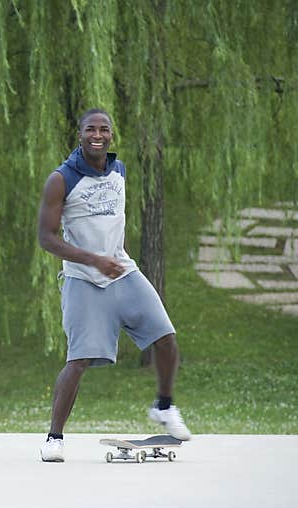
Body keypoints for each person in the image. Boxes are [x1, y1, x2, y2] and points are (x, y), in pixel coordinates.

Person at [36, 108, 191, 462]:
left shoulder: (118, 171)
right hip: (83, 279)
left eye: (104, 129)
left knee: (165, 338)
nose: (97, 134)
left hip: (122, 271)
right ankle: (54, 438)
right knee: (78, 361)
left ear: (111, 135)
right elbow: (46, 238)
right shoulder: (61, 179)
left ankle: (164, 406)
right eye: (91, 129)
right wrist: (93, 260)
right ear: (80, 135)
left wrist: (112, 257)